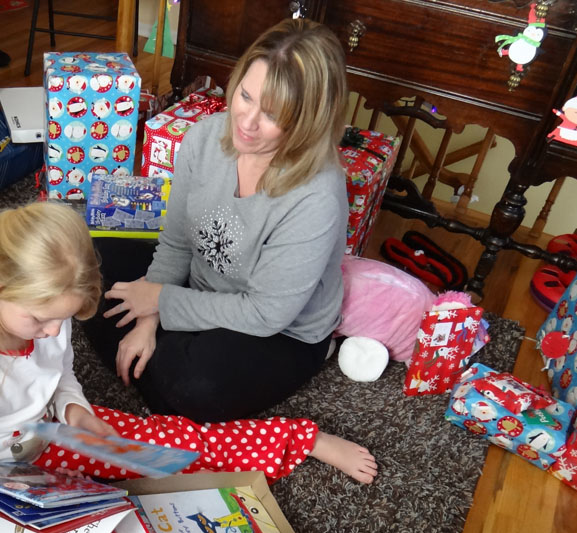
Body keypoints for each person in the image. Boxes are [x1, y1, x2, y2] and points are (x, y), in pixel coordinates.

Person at [0, 202, 376, 512]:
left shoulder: (45, 317)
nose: (52, 332)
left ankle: (299, 439)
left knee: (174, 449)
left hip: (49, 434)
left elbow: (59, 376)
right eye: (40, 320)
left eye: (61, 320)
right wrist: (25, 492)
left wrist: (76, 412)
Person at [82, 19, 377, 483]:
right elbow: (177, 240)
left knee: (195, 385)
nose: (247, 122)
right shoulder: (204, 138)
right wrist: (147, 319)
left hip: (280, 330)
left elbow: (264, 313)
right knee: (89, 267)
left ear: (308, 121)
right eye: (245, 95)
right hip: (200, 286)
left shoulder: (317, 195)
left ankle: (187, 394)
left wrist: (159, 300)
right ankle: (164, 378)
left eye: (272, 114)